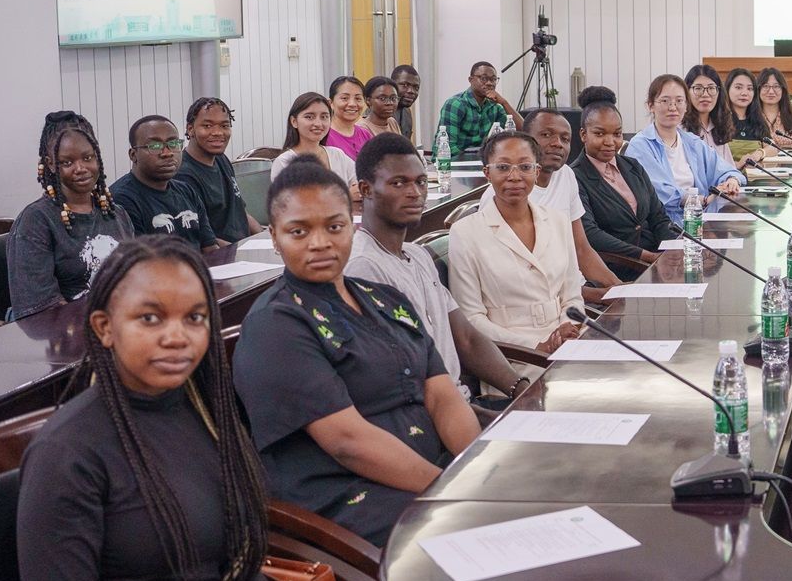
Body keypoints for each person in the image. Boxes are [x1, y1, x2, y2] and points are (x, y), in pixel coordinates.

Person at [18, 238, 424, 581]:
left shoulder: (202, 414)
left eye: (195, 318)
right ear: (105, 328)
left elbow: (232, 563)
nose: (177, 336)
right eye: (150, 318)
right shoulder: (69, 453)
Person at [233, 159, 481, 547]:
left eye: (334, 227)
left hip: (435, 475)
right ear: (275, 238)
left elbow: (442, 396)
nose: (320, 242)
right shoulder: (275, 324)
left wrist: (476, 474)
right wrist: (453, 492)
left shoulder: (386, 299)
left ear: (352, 226)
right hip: (350, 499)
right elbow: (347, 442)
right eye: (299, 231)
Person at [345, 134, 528, 402]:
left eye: (421, 182)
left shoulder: (417, 254)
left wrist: (522, 390)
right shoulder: (364, 267)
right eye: (398, 183)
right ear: (365, 190)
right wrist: (479, 417)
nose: (415, 193)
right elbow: (400, 378)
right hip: (426, 415)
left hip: (461, 404)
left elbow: (466, 338)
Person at [448, 132, 590, 354]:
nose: (514, 176)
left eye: (525, 167)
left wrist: (568, 327)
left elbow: (572, 296)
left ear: (537, 171)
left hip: (567, 341)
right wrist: (535, 347)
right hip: (514, 354)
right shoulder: (465, 233)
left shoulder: (558, 221)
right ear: (487, 173)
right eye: (503, 167)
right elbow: (471, 319)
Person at [10, 111, 136, 318]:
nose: (80, 168)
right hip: (65, 329)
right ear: (51, 164)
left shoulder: (116, 213)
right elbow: (40, 307)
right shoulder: (36, 220)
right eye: (67, 162)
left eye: (87, 158)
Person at [515, 108, 621, 296]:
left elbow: (581, 249)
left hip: (579, 291)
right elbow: (522, 280)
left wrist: (620, 288)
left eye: (565, 139)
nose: (557, 144)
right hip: (543, 301)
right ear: (525, 140)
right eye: (546, 135)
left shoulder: (566, 175)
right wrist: (599, 296)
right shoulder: (509, 193)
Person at [570, 102, 673, 278]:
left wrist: (673, 251)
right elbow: (590, 234)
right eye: (599, 134)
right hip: (616, 268)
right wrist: (645, 256)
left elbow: (658, 217)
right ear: (583, 134)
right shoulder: (574, 176)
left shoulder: (633, 166)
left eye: (617, 134)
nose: (610, 142)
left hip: (657, 262)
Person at [625, 74, 744, 222]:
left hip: (698, 220)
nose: (673, 107)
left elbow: (727, 170)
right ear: (651, 106)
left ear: (687, 105)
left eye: (679, 101)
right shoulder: (640, 145)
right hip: (662, 224)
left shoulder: (692, 142)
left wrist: (731, 181)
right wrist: (701, 200)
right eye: (665, 101)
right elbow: (659, 192)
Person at [109, 115, 216, 248]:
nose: (167, 153)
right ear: (133, 155)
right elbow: (137, 258)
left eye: (173, 144)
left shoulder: (187, 192)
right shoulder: (121, 200)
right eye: (155, 146)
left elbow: (210, 248)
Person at [181, 97, 258, 242]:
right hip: (220, 253)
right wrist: (239, 251)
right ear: (190, 129)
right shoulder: (183, 175)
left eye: (224, 126)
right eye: (207, 126)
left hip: (243, 247)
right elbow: (201, 239)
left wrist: (266, 239)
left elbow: (240, 213)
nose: (217, 132)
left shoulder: (221, 159)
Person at [271, 92, 356, 186]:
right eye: (309, 117)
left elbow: (359, 182)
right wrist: (347, 193)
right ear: (294, 121)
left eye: (324, 117)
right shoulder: (284, 162)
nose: (318, 124)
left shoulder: (337, 155)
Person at [435, 61, 519, 156]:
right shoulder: (456, 104)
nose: (489, 83)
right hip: (454, 161)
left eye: (493, 79)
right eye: (484, 78)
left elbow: (523, 132)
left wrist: (504, 103)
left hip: (481, 160)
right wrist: (478, 158)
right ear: (471, 80)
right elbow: (448, 147)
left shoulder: (495, 107)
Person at [753, 66, 792, 145]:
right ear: (758, 89)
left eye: (776, 86)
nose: (771, 91)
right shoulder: (751, 116)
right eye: (765, 86)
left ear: (783, 90)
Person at [323, 75, 374, 163]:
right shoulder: (323, 136)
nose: (352, 104)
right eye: (344, 98)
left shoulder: (366, 135)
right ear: (330, 103)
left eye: (358, 98)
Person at [683, 64, 726, 145]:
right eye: (698, 88)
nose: (705, 94)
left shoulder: (721, 127)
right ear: (686, 91)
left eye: (711, 88)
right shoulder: (679, 129)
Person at [389, 64, 421, 141]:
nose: (411, 91)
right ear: (392, 85)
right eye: (405, 85)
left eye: (416, 88)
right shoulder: (378, 112)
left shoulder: (407, 112)